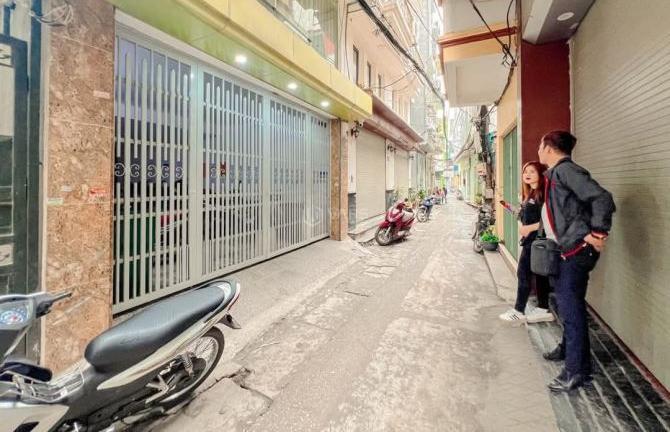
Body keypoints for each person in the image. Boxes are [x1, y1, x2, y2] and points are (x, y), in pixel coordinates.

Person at [537, 130, 616, 392]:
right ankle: (568, 350)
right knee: (567, 306)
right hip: (566, 251)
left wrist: (598, 233)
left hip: (575, 252)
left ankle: (576, 371)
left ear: (549, 148)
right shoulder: (557, 173)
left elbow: (602, 198)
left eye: (540, 146)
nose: (538, 151)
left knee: (572, 311)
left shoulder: (566, 171)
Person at [499, 161, 554, 324]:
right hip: (532, 241)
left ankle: (519, 310)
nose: (527, 174)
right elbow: (523, 215)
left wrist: (528, 228)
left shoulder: (543, 195)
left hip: (537, 241)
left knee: (523, 274)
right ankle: (543, 308)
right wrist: (509, 207)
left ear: (541, 174)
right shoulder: (531, 193)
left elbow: (550, 220)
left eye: (532, 171)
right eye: (525, 172)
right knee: (539, 275)